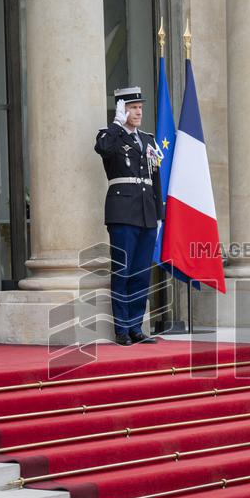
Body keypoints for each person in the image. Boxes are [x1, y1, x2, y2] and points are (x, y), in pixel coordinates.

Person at [94, 87, 163, 346]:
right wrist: (116, 124)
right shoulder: (110, 136)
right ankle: (121, 329)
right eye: (133, 107)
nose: (138, 112)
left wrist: (159, 213)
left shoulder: (148, 139)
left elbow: (154, 177)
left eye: (140, 108)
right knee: (122, 271)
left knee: (141, 273)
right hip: (122, 213)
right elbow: (102, 149)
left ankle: (136, 327)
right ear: (122, 110)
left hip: (146, 213)